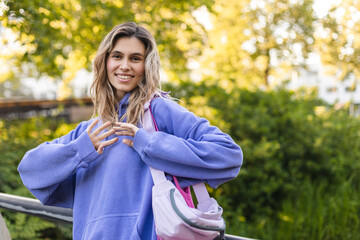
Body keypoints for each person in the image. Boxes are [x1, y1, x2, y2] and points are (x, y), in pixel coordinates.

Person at [18, 22, 243, 240]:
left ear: (146, 66)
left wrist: (148, 144)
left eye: (135, 58)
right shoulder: (90, 131)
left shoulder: (159, 111)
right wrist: (80, 150)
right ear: (104, 62)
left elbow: (228, 154)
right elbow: (30, 170)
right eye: (117, 56)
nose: (125, 66)